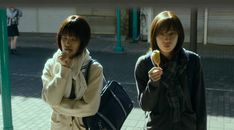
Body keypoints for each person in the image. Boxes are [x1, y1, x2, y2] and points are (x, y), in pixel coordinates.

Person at [134, 11, 206, 130]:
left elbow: (200, 104)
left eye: (172, 33)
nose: (166, 39)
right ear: (154, 36)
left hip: (186, 126)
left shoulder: (192, 61)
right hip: (158, 126)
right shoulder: (144, 64)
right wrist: (153, 84)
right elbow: (146, 106)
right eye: (161, 34)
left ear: (179, 35)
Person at [41, 15, 104, 130]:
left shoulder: (94, 69)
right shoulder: (51, 65)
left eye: (73, 39)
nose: (67, 43)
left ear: (82, 42)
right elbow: (51, 99)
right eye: (64, 38)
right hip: (58, 126)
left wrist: (58, 106)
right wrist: (63, 70)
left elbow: (90, 108)